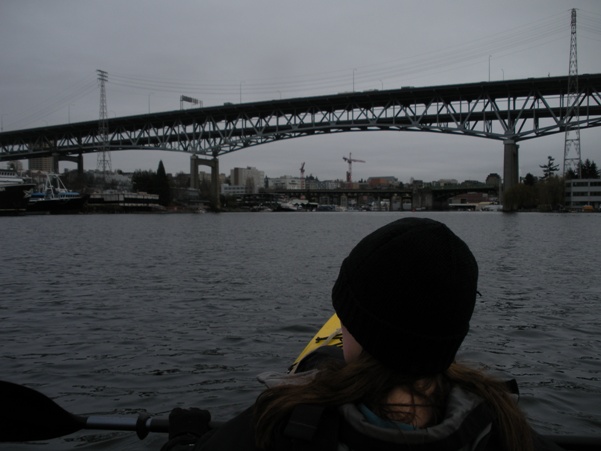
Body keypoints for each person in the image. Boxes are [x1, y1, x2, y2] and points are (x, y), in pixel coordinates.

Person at [162, 217, 564, 451]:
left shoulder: (279, 424)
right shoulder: (504, 428)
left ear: (360, 330)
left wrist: (184, 438)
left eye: (346, 317)